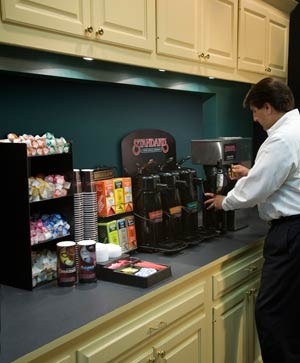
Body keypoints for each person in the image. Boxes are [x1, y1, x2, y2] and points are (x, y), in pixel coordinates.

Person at [204, 77, 300, 363]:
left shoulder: (281, 139)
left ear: (268, 107)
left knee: (272, 313)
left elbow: (257, 190)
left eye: (255, 112)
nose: (256, 120)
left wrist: (225, 202)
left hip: (291, 234)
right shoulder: (296, 128)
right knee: (292, 312)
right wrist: (252, 174)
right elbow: (287, 176)